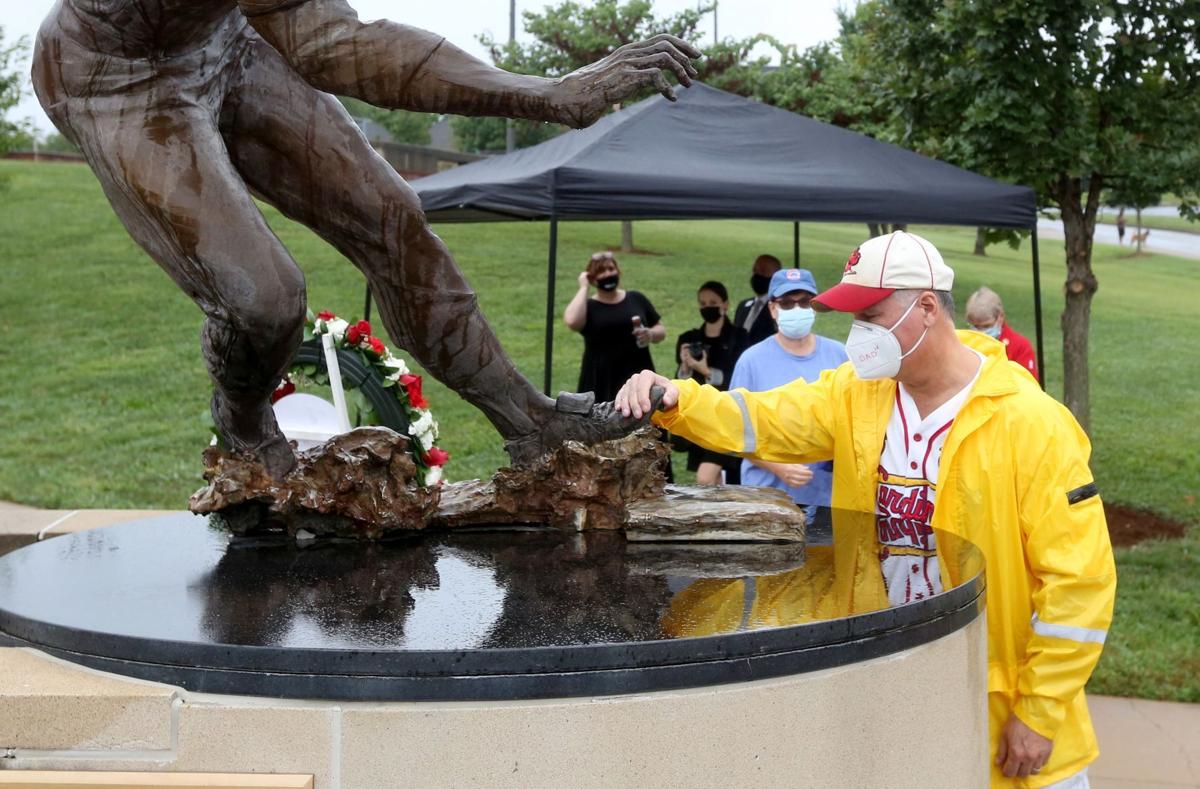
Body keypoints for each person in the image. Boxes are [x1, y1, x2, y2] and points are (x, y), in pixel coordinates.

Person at [32, 0, 700, 476]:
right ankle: (242, 419)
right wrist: (544, 95)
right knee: (264, 300)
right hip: (116, 77)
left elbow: (336, 33)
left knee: (393, 218)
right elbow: (331, 47)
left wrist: (543, 94)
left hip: (231, 42)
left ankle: (531, 423)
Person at [617, 230, 1116, 789]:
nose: (858, 335)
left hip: (1004, 713)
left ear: (926, 308)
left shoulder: (1032, 424)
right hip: (895, 685)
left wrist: (1040, 710)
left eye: (871, 315)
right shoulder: (858, 392)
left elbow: (1080, 582)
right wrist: (680, 399)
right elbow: (767, 418)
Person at [729, 268, 846, 535]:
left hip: (825, 500)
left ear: (814, 307)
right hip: (767, 498)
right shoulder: (752, 361)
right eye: (787, 303)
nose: (797, 308)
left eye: (805, 302)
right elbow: (733, 433)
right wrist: (778, 467)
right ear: (772, 308)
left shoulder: (840, 356)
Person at [564, 251, 666, 403]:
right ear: (592, 278)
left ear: (618, 271)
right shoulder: (589, 307)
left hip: (637, 375)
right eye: (600, 271)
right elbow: (572, 321)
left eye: (611, 269)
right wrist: (583, 287)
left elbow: (661, 330)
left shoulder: (636, 298)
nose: (607, 274)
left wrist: (650, 334)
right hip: (600, 379)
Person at [673, 281, 748, 485]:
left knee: (705, 477)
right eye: (703, 303)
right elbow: (680, 383)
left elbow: (737, 378)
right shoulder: (688, 338)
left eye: (713, 302)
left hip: (727, 417)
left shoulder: (739, 338)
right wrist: (686, 367)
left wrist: (705, 370)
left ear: (725, 304)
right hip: (700, 417)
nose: (708, 307)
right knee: (713, 482)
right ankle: (721, 515)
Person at [965, 287, 1039, 380]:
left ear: (1001, 317)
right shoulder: (965, 343)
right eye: (976, 326)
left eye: (986, 326)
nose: (981, 332)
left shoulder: (1019, 346)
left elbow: (1030, 384)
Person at [733, 254, 783, 346]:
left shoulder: (780, 309)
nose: (757, 275)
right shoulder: (743, 306)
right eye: (755, 270)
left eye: (763, 271)